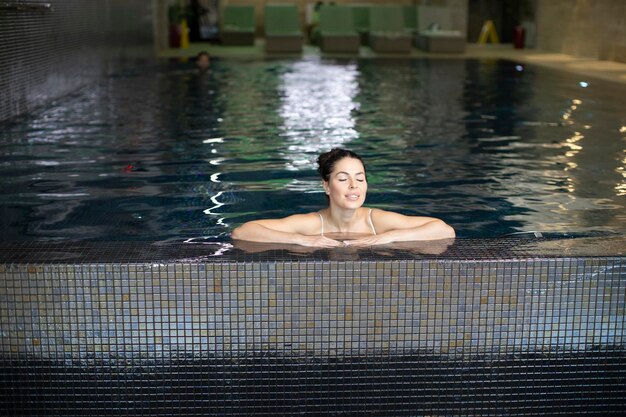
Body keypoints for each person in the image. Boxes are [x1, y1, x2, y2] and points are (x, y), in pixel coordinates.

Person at [231, 148, 455, 247]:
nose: (353, 186)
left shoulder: (376, 221)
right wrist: (301, 239)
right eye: (343, 178)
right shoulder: (312, 224)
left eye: (360, 178)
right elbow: (243, 232)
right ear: (327, 186)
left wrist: (387, 238)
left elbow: (444, 230)